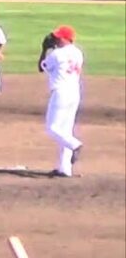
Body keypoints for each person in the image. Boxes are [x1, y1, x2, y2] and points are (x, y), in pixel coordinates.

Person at [37, 25, 83, 177]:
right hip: (74, 93)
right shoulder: (78, 52)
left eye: (58, 37)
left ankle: (75, 145)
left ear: (65, 38)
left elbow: (41, 67)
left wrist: (44, 50)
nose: (54, 39)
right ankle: (65, 168)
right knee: (66, 130)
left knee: (52, 128)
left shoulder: (56, 54)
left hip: (61, 93)